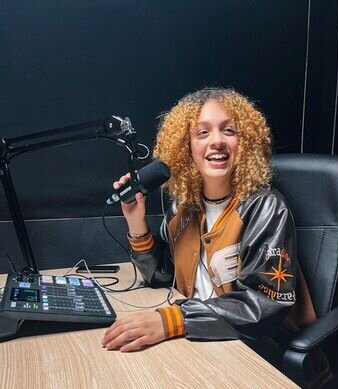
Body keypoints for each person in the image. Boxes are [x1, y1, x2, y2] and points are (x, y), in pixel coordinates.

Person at [102, 87, 297, 352]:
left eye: (229, 130)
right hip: (193, 339)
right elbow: (165, 277)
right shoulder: (183, 208)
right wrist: (136, 222)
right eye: (202, 133)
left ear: (246, 142)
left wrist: (173, 320)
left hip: (248, 348)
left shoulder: (265, 207)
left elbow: (262, 305)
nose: (216, 141)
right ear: (186, 146)